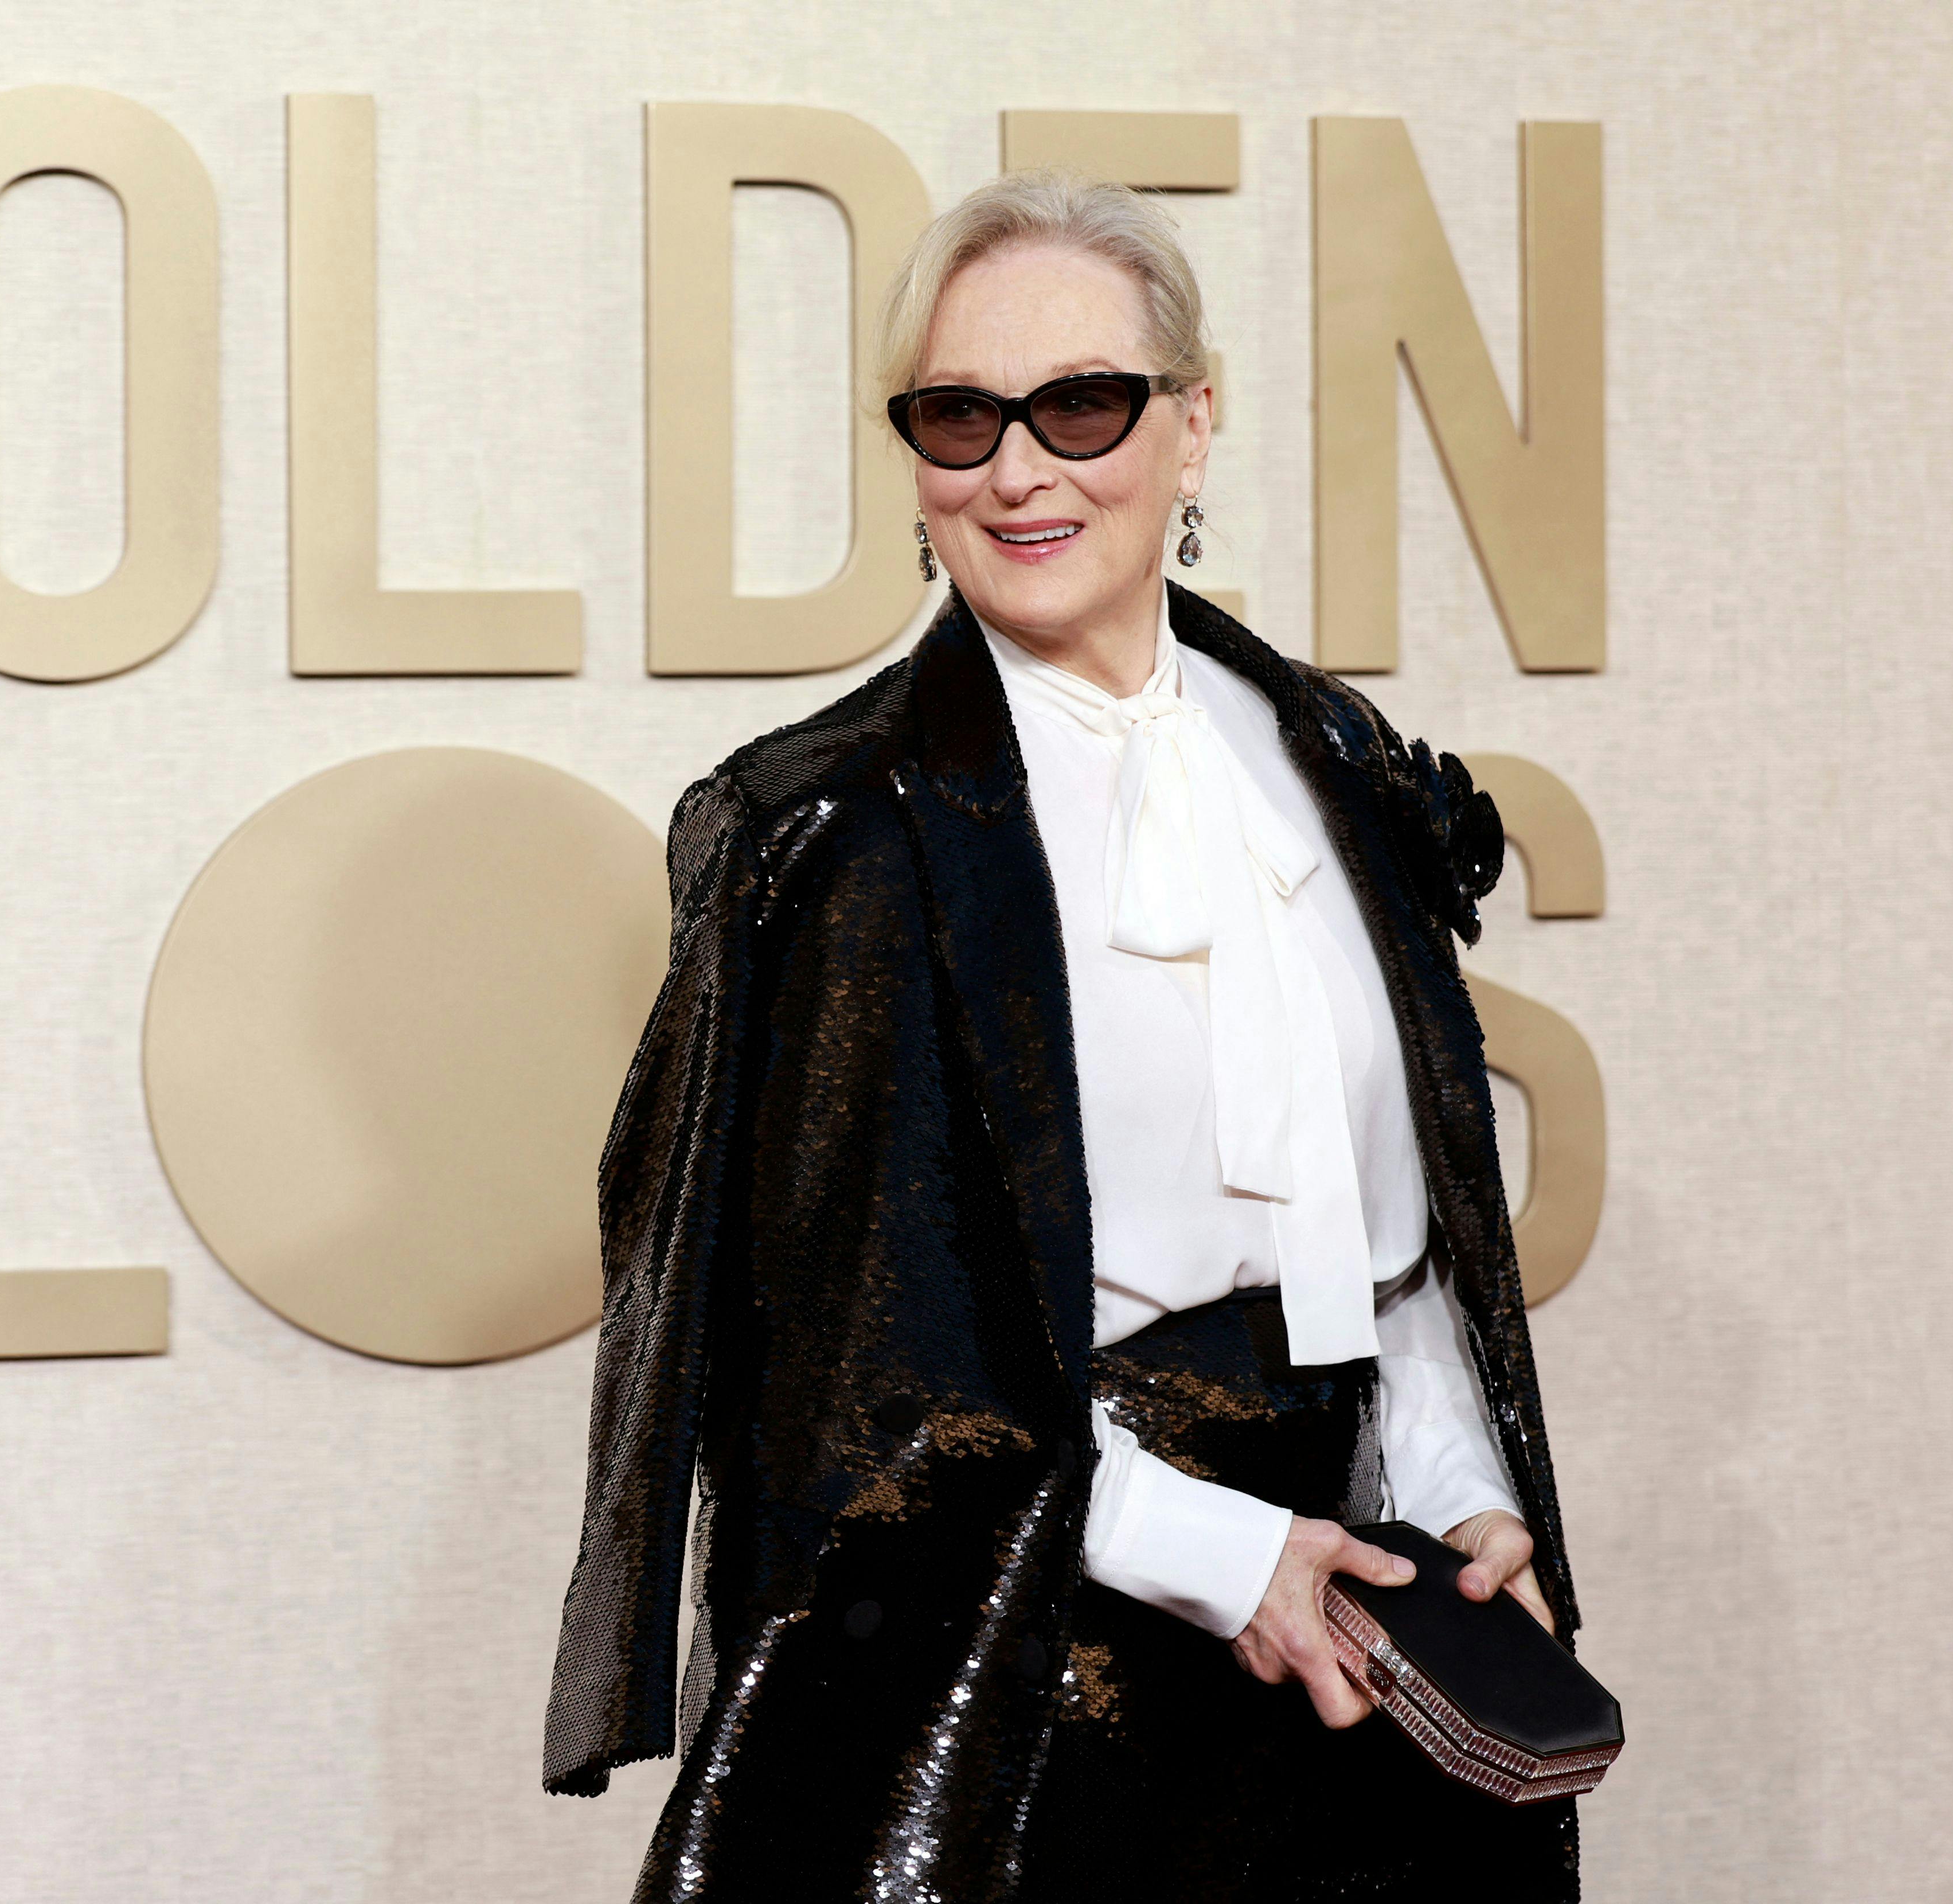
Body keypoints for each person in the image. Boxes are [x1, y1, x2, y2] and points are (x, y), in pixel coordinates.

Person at [546, 170, 1581, 1901]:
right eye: (958, 420)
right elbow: (822, 1377)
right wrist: (1213, 1552)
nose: (1016, 471)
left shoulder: (1320, 758)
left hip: (1346, 1629)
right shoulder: (835, 834)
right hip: (1023, 1670)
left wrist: (1462, 1498)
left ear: (1193, 421)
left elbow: (1384, 1250)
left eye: (1079, 405)